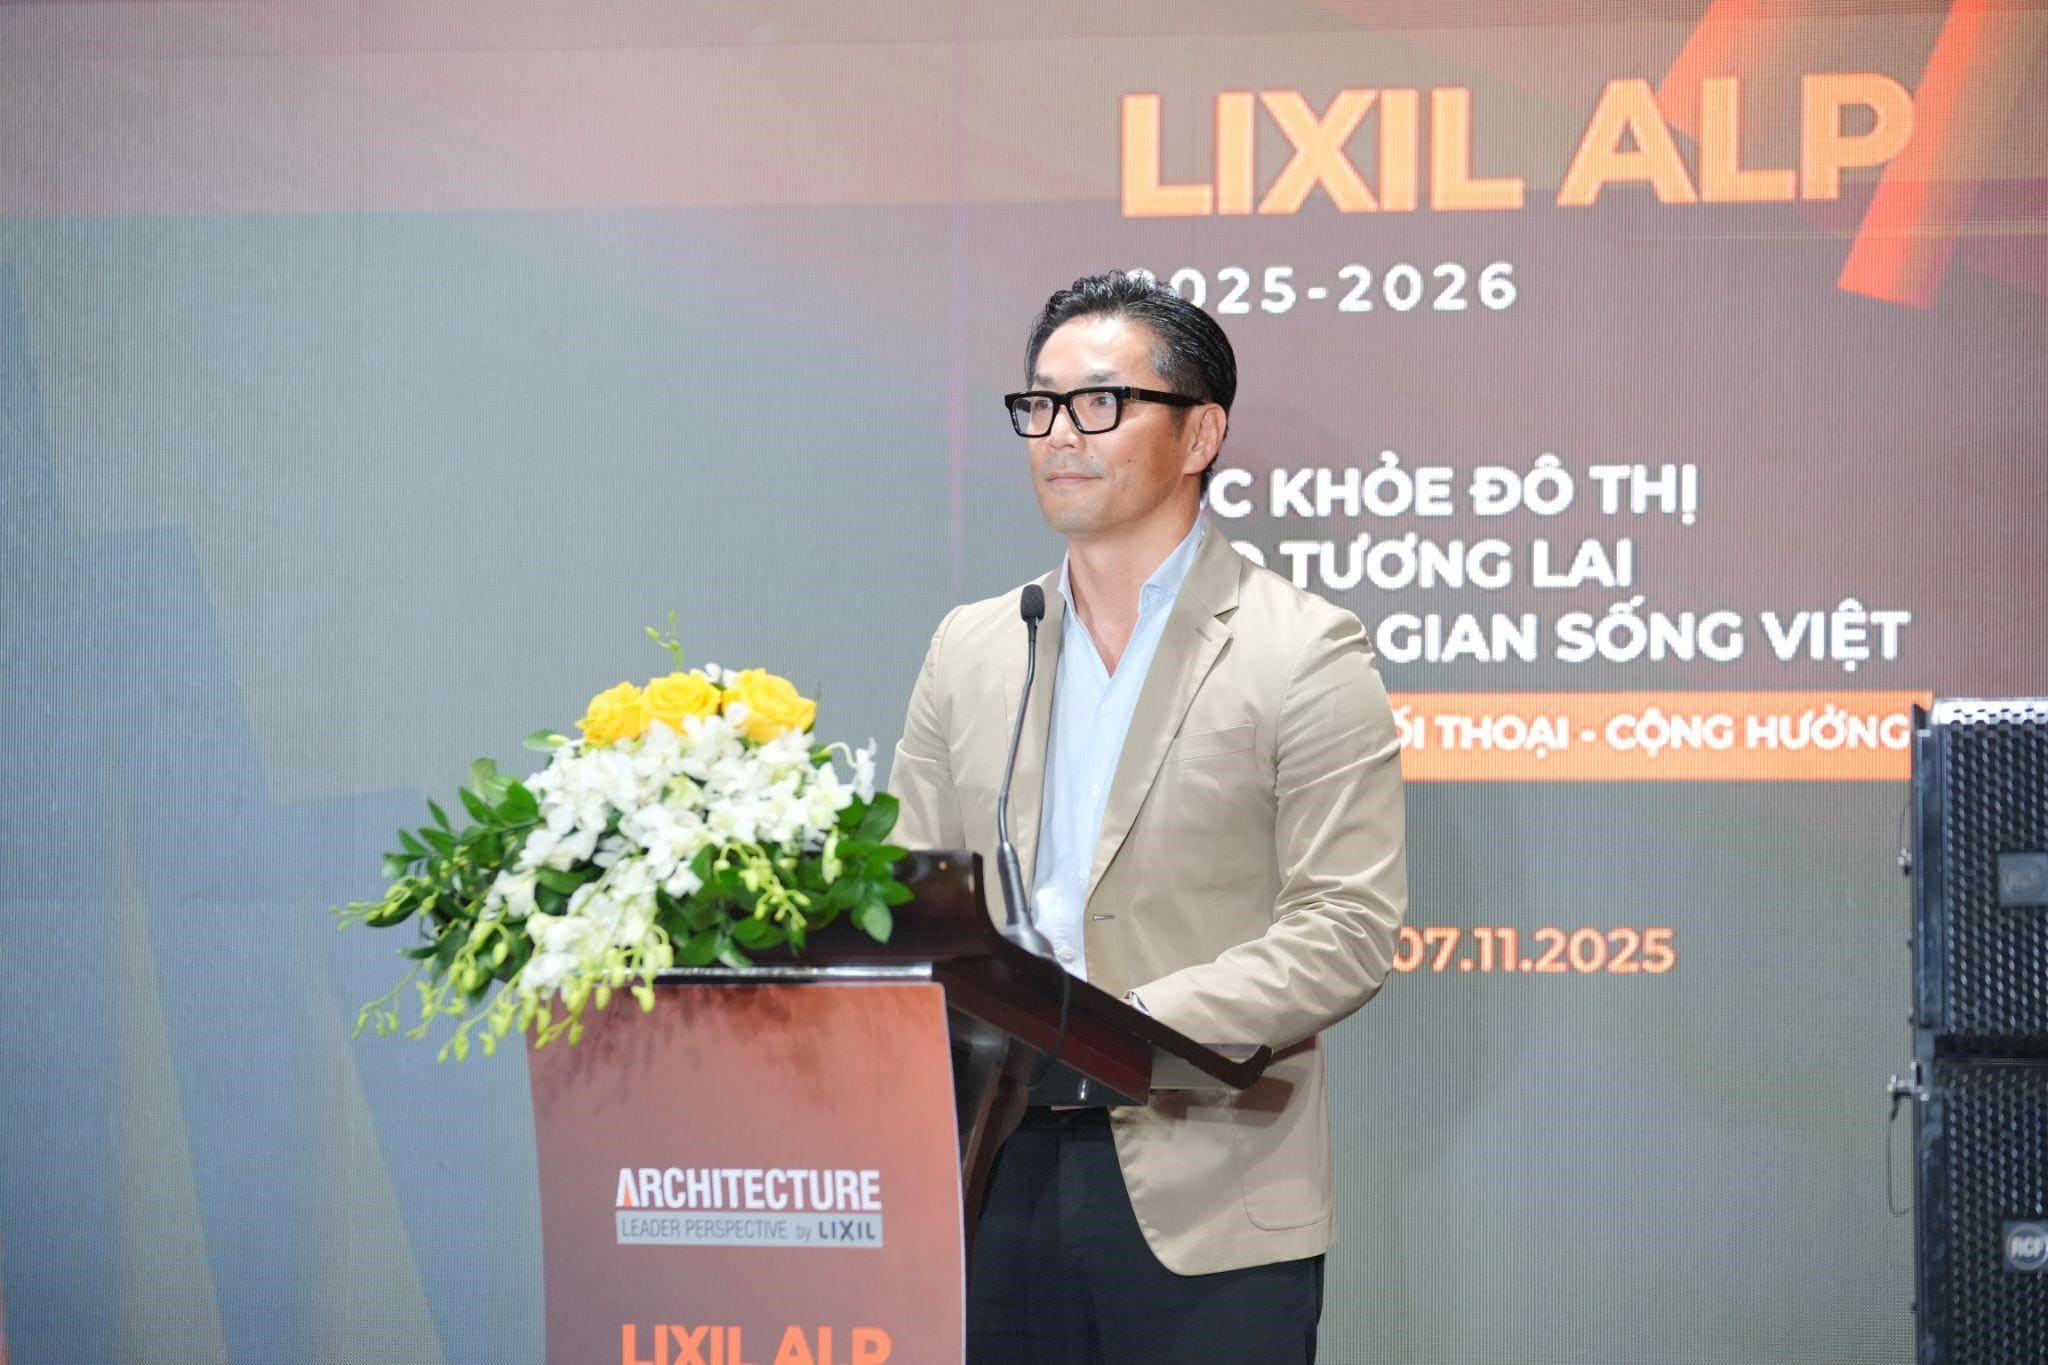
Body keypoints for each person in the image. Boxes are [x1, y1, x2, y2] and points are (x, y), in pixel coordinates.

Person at [889, 270, 1406, 1364]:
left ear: (1199, 433)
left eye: (1100, 403)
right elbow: (910, 892)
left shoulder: (1301, 650)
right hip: (988, 1166)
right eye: (1040, 405)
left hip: (1205, 1185)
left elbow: (1345, 928)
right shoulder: (974, 647)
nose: (1059, 434)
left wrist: (1120, 1026)